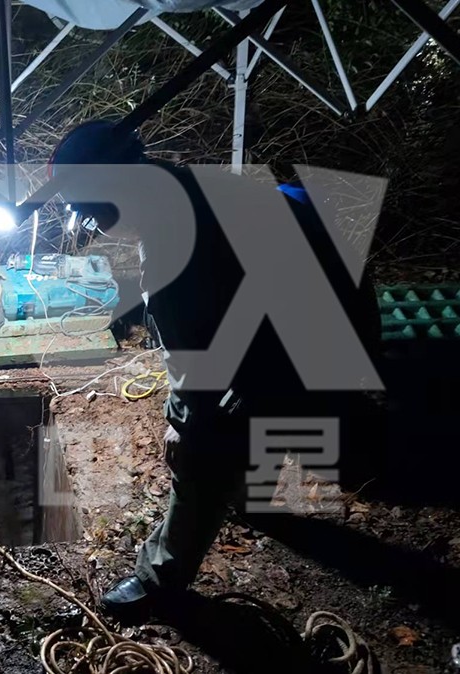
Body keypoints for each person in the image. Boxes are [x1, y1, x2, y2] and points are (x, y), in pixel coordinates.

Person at [47, 120, 381, 623]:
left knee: (206, 447)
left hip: (313, 339)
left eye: (91, 212)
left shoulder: (172, 245)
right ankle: (251, 495)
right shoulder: (184, 185)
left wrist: (183, 428)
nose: (93, 225)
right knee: (251, 402)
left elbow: (199, 365)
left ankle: (160, 580)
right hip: (330, 319)